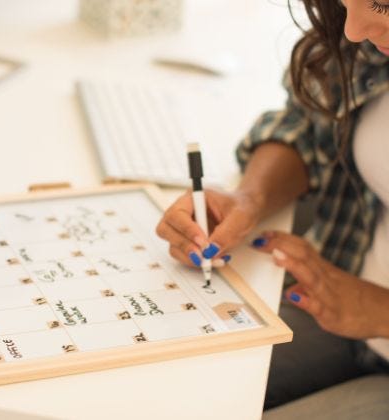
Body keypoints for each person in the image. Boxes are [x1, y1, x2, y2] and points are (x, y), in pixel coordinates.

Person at [156, 0, 389, 417]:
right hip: (343, 288)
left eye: (382, 5)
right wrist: (250, 198)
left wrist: (379, 311)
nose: (353, 30)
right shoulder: (368, 36)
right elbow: (306, 123)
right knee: (161, 387)